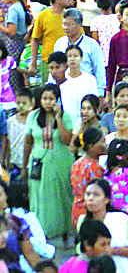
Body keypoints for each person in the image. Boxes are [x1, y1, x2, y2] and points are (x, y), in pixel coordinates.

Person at [26, 82, 75, 240]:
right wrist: (24, 165)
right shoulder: (33, 116)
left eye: (51, 99)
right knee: (39, 196)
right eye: (44, 98)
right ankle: (41, 232)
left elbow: (67, 140)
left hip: (61, 161)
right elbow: (28, 142)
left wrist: (58, 118)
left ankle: (64, 230)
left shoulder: (65, 117)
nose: (47, 102)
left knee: (62, 196)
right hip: (38, 162)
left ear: (57, 100)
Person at [77, 178, 128, 273]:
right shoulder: (83, 221)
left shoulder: (122, 219)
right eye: (88, 194)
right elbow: (80, 250)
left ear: (106, 199)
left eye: (96, 195)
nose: (90, 198)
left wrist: (113, 251)